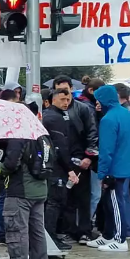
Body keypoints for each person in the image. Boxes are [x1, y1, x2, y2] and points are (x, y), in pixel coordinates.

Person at [0, 115, 51, 259]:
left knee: (17, 231)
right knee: (37, 232)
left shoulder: (18, 134)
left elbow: (11, 163)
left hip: (21, 190)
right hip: (40, 190)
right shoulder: (41, 134)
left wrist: (0, 170)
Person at [91, 84, 130, 251]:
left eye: (98, 101)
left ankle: (119, 239)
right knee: (112, 203)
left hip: (113, 168)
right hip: (125, 164)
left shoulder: (108, 119)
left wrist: (103, 173)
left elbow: (106, 150)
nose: (97, 104)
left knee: (115, 204)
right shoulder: (127, 114)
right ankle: (109, 235)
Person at [52, 79, 98, 244]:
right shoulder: (52, 113)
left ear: (71, 90)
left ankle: (84, 231)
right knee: (65, 198)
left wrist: (88, 157)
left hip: (80, 160)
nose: (64, 97)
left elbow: (92, 133)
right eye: (60, 92)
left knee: (83, 198)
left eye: (66, 92)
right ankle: (69, 230)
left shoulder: (82, 109)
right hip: (61, 161)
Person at [41, 89, 84, 249]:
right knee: (54, 203)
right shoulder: (54, 118)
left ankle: (51, 237)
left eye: (68, 99)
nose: (66, 102)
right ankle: (50, 239)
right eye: (62, 99)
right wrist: (70, 169)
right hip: (56, 168)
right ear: (52, 100)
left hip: (51, 166)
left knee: (53, 203)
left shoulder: (51, 116)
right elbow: (60, 147)